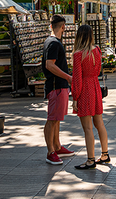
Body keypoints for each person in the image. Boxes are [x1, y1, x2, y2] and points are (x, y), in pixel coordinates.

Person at [71, 25, 110, 170]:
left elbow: (77, 78)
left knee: (87, 127)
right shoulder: (97, 50)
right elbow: (99, 70)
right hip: (95, 86)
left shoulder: (78, 55)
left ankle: (90, 159)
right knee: (99, 123)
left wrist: (75, 97)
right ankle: (105, 154)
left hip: (84, 90)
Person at [43, 15, 75, 165]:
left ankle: (57, 146)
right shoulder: (54, 43)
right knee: (52, 119)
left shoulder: (52, 42)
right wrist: (68, 77)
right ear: (63, 27)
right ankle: (51, 151)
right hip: (56, 85)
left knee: (57, 119)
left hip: (60, 86)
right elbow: (50, 65)